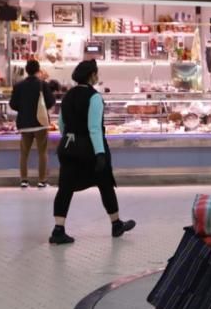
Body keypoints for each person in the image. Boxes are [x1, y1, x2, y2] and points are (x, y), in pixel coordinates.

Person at [49, 60, 135, 245]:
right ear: (91, 76)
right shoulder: (94, 97)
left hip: (68, 147)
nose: (97, 76)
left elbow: (62, 124)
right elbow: (94, 128)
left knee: (65, 188)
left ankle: (58, 229)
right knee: (105, 184)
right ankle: (116, 223)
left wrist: (69, 139)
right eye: (96, 73)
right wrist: (100, 153)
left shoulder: (68, 95)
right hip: (88, 148)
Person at [9, 59, 55, 188]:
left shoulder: (18, 86)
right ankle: (42, 181)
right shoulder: (42, 85)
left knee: (24, 153)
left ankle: (24, 180)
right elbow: (51, 102)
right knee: (42, 152)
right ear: (38, 70)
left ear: (26, 70)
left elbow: (12, 104)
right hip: (40, 123)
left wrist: (23, 109)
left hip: (24, 124)